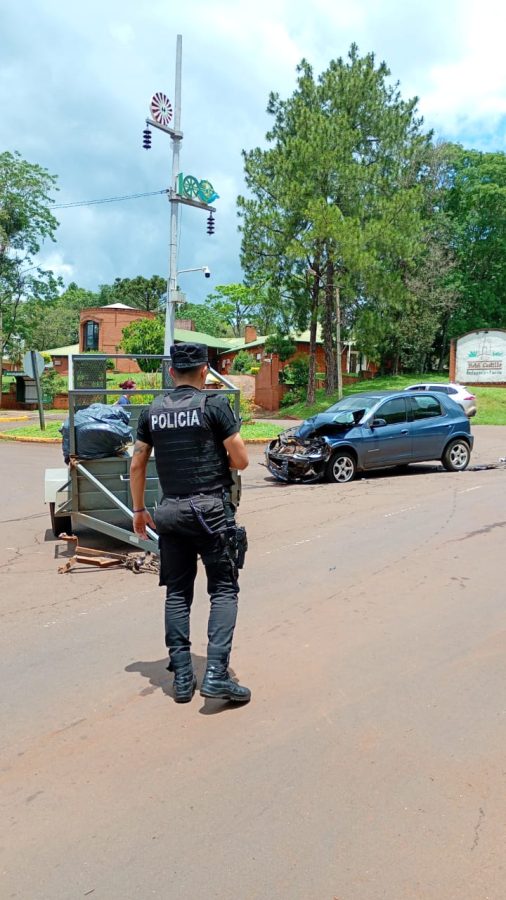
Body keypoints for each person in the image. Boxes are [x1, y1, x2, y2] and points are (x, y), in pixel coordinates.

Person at [130, 342, 251, 704]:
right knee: (224, 590)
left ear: (171, 373)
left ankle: (183, 676)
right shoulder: (215, 406)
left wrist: (139, 511)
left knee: (178, 594)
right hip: (212, 512)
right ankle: (215, 674)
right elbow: (242, 460)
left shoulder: (152, 410)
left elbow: (137, 465)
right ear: (204, 371)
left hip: (169, 513)